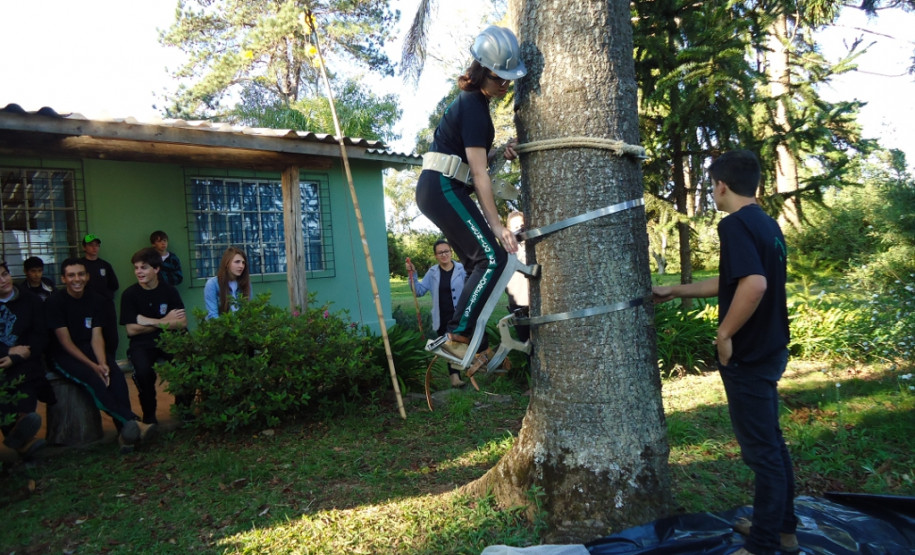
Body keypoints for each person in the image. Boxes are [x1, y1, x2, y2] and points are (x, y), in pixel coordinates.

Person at [652, 150, 798, 555]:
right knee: (772, 442)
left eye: (711, 186)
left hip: (749, 355)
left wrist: (724, 335)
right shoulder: (766, 223)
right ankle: (784, 529)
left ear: (721, 185)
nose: (711, 193)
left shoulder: (733, 225)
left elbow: (754, 285)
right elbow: (734, 280)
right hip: (772, 348)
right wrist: (675, 290)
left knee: (762, 453)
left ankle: (765, 544)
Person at [416, 25, 525, 370]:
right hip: (442, 186)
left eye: (509, 79)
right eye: (498, 78)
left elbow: (475, 161)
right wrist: (496, 224)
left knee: (477, 264)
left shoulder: (474, 104)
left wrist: (497, 153)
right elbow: (477, 176)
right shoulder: (475, 107)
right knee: (493, 258)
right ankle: (458, 340)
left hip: (440, 186)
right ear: (480, 71)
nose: (504, 86)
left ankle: (476, 347)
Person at [46, 258, 153, 453]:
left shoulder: (95, 299)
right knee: (93, 380)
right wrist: (94, 367)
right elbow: (65, 342)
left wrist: (103, 363)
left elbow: (96, 336)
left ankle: (125, 435)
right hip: (64, 354)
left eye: (80, 274)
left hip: (90, 349)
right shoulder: (55, 301)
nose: (76, 279)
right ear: (63, 278)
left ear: (87, 276)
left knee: (117, 378)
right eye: (71, 275)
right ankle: (134, 422)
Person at [120, 248, 189, 425]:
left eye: (143, 268)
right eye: (136, 268)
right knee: (143, 373)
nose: (138, 272)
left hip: (171, 340)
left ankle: (183, 410)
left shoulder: (170, 291)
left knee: (187, 365)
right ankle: (149, 416)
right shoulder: (129, 295)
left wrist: (147, 321)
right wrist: (165, 321)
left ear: (156, 269)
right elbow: (132, 330)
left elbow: (182, 323)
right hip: (142, 344)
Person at [0, 260, 52, 458]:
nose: (2, 280)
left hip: (27, 360)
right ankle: (23, 441)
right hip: (2, 359)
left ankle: (21, 431)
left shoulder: (31, 301)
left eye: (4, 274)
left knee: (25, 382)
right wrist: (8, 352)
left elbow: (41, 336)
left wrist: (16, 357)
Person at [405, 240, 467, 387]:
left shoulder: (462, 269)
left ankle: (466, 370)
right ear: (436, 255)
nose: (444, 255)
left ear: (451, 252)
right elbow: (419, 291)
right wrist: (412, 275)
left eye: (447, 251)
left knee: (461, 343)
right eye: (440, 252)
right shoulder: (432, 272)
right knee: (449, 346)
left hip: (460, 315)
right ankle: (455, 378)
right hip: (442, 316)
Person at [79, 234, 120, 355]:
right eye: (91, 245)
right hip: (87, 306)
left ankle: (110, 363)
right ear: (84, 247)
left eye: (97, 245)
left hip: (105, 307)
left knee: (111, 338)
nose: (94, 248)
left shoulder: (105, 265)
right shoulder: (80, 265)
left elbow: (114, 285)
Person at [204, 247, 252, 319]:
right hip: (221, 328)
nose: (241, 266)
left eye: (243, 263)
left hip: (242, 327)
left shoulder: (245, 283)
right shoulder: (212, 284)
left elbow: (248, 311)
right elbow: (212, 315)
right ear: (227, 263)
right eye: (237, 262)